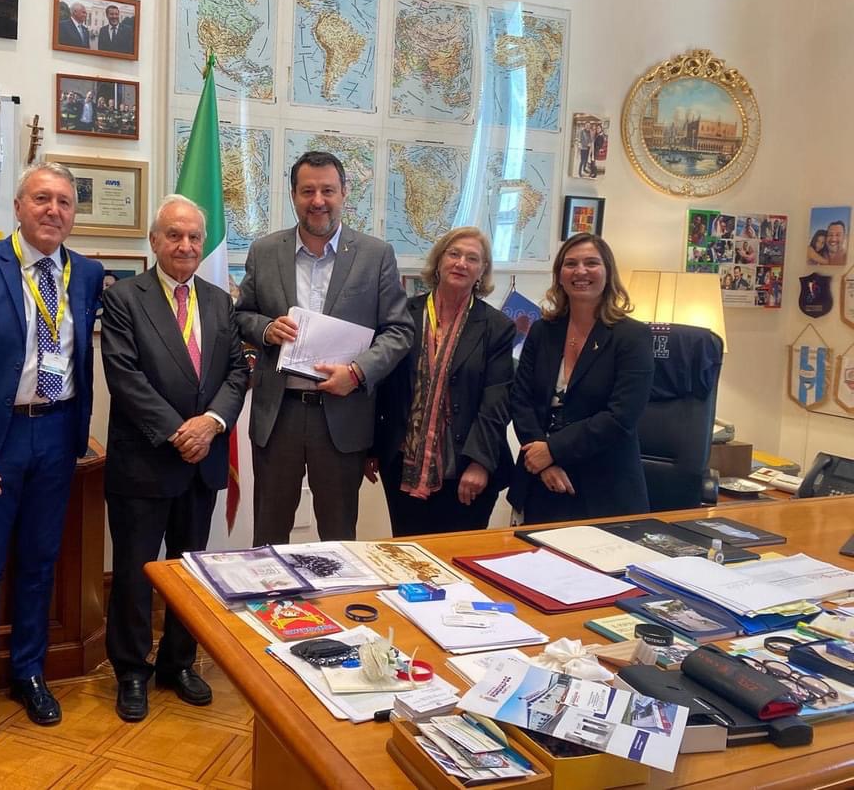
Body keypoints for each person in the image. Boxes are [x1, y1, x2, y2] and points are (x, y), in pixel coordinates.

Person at [0, 162, 104, 746]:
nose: (53, 210)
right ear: (18, 206)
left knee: (39, 562)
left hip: (57, 435)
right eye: (42, 198)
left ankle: (30, 673)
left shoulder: (87, 272)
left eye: (64, 202)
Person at [101, 196, 248, 723]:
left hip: (201, 462)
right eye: (174, 235)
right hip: (145, 461)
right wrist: (178, 432)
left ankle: (178, 663)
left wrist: (212, 424)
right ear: (155, 240)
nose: (185, 245)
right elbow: (124, 376)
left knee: (190, 569)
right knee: (136, 572)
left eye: (193, 237)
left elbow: (237, 372)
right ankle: (131, 670)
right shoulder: (125, 299)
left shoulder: (220, 301)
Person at [235, 151, 412, 545]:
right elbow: (242, 314)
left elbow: (399, 330)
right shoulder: (264, 251)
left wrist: (358, 373)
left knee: (338, 535)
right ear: (293, 195)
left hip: (342, 417)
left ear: (344, 192)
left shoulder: (375, 255)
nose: (318, 201)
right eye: (308, 191)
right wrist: (266, 329)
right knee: (268, 535)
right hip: (278, 415)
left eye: (328, 190)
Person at [365, 227, 515, 537]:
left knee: (457, 556)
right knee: (408, 552)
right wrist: (372, 447)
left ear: (482, 271)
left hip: (466, 471)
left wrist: (480, 462)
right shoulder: (403, 314)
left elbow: (496, 401)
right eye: (454, 254)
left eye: (472, 258)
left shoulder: (497, 327)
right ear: (439, 261)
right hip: (403, 465)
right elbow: (383, 387)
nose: (461, 263)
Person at [508, 233, 654, 523]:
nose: (580, 271)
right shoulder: (542, 331)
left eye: (591, 263)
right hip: (541, 481)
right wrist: (542, 461)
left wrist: (553, 450)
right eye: (571, 264)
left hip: (604, 488)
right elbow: (521, 399)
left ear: (608, 272)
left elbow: (621, 416)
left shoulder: (632, 337)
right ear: (560, 275)